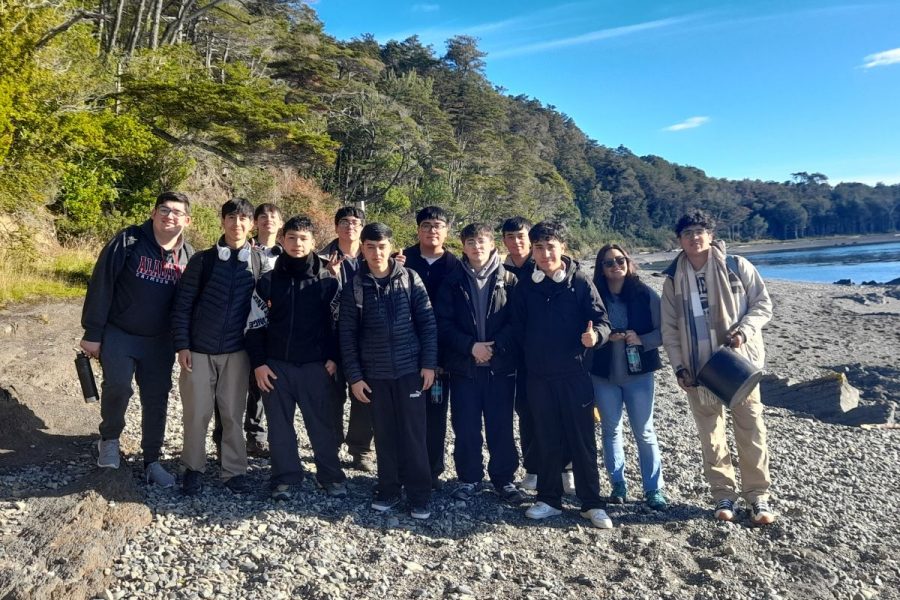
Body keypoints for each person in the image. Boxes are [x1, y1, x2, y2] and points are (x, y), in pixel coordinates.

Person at [660, 211, 775, 525]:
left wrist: (744, 331)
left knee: (750, 430)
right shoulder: (673, 278)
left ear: (710, 235)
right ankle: (722, 493)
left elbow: (763, 305)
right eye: (687, 233)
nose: (694, 238)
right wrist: (679, 366)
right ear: (679, 240)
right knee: (710, 434)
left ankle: (758, 496)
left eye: (699, 231)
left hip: (739, 364)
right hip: (699, 368)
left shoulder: (737, 266)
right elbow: (669, 329)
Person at [80, 191, 193, 487]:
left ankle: (152, 460)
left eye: (177, 213)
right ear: (153, 213)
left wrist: (185, 343)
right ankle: (109, 439)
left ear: (187, 220)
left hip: (160, 341)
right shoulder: (129, 241)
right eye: (164, 210)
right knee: (117, 387)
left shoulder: (189, 256)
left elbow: (190, 304)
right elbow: (101, 282)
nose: (170, 217)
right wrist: (93, 332)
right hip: (120, 332)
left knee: (156, 399)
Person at [512, 221, 614, 529]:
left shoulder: (580, 282)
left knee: (582, 440)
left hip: (575, 374)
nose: (544, 254)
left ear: (563, 248)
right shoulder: (526, 285)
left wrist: (595, 336)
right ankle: (549, 499)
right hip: (538, 376)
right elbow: (516, 328)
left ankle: (592, 503)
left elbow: (603, 321)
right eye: (538, 248)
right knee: (545, 438)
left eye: (550, 247)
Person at [339, 222, 438, 519]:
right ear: (363, 249)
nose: (376, 253)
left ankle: (419, 494)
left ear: (391, 247)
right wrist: (355, 377)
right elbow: (346, 336)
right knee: (384, 434)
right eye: (370, 247)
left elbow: (428, 323)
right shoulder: (355, 285)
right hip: (375, 374)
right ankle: (389, 488)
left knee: (414, 434)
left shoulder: (410, 278)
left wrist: (429, 364)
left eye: (382, 246)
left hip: (410, 370)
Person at [246, 216, 347, 501]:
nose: (297, 243)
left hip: (317, 366)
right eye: (291, 238)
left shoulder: (328, 281)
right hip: (276, 366)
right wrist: (259, 363)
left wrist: (334, 358)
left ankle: (330, 476)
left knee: (322, 426)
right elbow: (254, 324)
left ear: (314, 243)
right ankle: (285, 478)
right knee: (279, 428)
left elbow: (340, 324)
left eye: (304, 238)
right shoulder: (267, 281)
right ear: (281, 240)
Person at [172, 198, 263, 496]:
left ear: (252, 225)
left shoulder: (260, 262)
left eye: (243, 219)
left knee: (233, 415)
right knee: (196, 414)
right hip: (198, 350)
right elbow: (183, 303)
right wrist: (182, 344)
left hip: (237, 351)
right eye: (231, 218)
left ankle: (234, 471)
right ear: (222, 221)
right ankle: (192, 468)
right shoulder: (203, 260)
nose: (237, 224)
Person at [435, 223, 525, 505]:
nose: (476, 247)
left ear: (493, 244)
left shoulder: (510, 279)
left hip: (500, 366)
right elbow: (442, 323)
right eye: (470, 242)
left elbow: (517, 321)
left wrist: (495, 347)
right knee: (465, 426)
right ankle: (469, 478)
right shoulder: (452, 280)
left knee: (501, 425)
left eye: (481, 241)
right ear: (462, 246)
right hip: (464, 367)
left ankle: (504, 479)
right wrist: (470, 347)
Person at [501, 216, 576, 495]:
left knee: (560, 411)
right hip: (517, 353)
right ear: (504, 241)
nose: (516, 242)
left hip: (552, 356)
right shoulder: (500, 268)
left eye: (521, 236)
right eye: (510, 237)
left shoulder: (544, 263)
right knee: (526, 411)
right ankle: (533, 468)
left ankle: (565, 469)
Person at [590, 244, 668, 511]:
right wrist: (604, 337)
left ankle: (654, 489)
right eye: (609, 262)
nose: (615, 266)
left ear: (628, 261)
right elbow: (583, 332)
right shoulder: (593, 296)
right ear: (601, 268)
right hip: (603, 374)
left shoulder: (645, 294)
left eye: (620, 260)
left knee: (644, 432)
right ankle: (617, 485)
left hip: (639, 374)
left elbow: (665, 332)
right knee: (611, 431)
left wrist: (641, 339)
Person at [213, 202, 283, 460]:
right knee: (228, 392)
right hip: (232, 330)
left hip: (263, 329)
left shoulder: (288, 251)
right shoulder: (241, 248)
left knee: (259, 387)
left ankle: (256, 436)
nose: (268, 220)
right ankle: (224, 442)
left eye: (273, 216)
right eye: (262, 216)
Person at [403, 206, 460, 489]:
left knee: (436, 413)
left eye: (438, 225)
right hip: (404, 351)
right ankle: (405, 468)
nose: (432, 230)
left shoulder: (456, 266)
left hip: (442, 356)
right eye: (426, 225)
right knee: (406, 413)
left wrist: (443, 357)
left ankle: (433, 470)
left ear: (447, 231)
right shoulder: (402, 259)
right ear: (418, 229)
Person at [318, 205, 375, 472]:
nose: (349, 226)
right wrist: (327, 277)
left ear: (362, 227)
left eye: (355, 222)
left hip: (366, 339)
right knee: (330, 396)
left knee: (364, 396)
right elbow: (314, 302)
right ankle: (330, 445)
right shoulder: (320, 258)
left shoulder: (375, 257)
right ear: (335, 226)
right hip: (331, 336)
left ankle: (360, 449)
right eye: (343, 221)